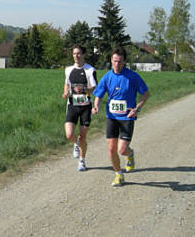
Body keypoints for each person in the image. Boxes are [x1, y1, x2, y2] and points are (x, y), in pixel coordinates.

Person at [92, 47, 150, 186]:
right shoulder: (107, 77)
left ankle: (129, 155)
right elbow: (99, 95)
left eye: (119, 61)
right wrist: (96, 106)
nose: (116, 64)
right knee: (111, 149)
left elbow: (146, 94)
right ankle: (118, 174)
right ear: (111, 60)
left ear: (124, 61)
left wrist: (136, 109)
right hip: (111, 117)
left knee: (122, 149)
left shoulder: (132, 77)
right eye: (114, 61)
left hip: (127, 117)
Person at [62, 45, 97, 171]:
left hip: (86, 106)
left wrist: (83, 89)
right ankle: (76, 144)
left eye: (78, 53)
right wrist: (66, 92)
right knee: (69, 134)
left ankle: (82, 161)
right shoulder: (68, 69)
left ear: (83, 55)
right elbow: (67, 84)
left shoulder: (90, 70)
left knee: (83, 136)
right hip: (72, 105)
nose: (76, 56)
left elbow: (94, 87)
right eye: (74, 53)